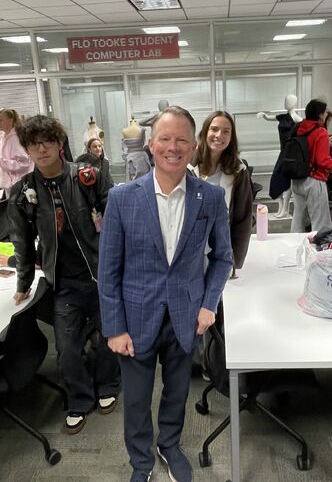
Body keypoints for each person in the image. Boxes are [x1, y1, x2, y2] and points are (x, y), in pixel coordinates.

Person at [98, 106, 232, 482]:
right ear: (151, 145)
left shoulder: (210, 197)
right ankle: (141, 461)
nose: (173, 147)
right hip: (135, 317)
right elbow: (108, 270)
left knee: (177, 393)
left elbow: (223, 257)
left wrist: (209, 304)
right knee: (137, 399)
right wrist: (114, 328)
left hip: (186, 315)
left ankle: (169, 445)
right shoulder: (122, 198)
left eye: (182, 140)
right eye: (165, 139)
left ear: (194, 146)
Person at [8, 115, 120, 435]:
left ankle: (108, 385)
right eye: (34, 144)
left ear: (59, 143)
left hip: (99, 275)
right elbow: (21, 242)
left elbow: (117, 221)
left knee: (109, 336)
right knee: (67, 347)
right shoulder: (24, 191)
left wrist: (119, 267)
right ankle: (79, 398)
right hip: (63, 282)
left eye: (48, 141)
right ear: (27, 149)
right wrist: (23, 283)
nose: (42, 149)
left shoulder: (88, 177)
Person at [190, 110, 253, 273]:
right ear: (205, 132)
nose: (219, 135)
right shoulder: (188, 165)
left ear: (231, 137)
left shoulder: (238, 170)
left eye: (226, 131)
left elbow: (243, 219)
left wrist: (234, 260)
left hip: (220, 252)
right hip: (190, 253)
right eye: (214, 129)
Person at [290, 98, 332, 233]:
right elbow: (323, 161)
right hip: (314, 180)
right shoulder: (320, 132)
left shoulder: (298, 128)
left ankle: (294, 242)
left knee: (298, 218)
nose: (326, 114)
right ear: (320, 115)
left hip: (296, 179)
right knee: (320, 222)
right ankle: (319, 245)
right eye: (324, 112)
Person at [0, 108, 33, 197]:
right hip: (9, 186)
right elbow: (2, 165)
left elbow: (24, 164)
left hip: (19, 186)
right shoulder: (3, 138)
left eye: (0, 120)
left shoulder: (16, 138)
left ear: (10, 120)